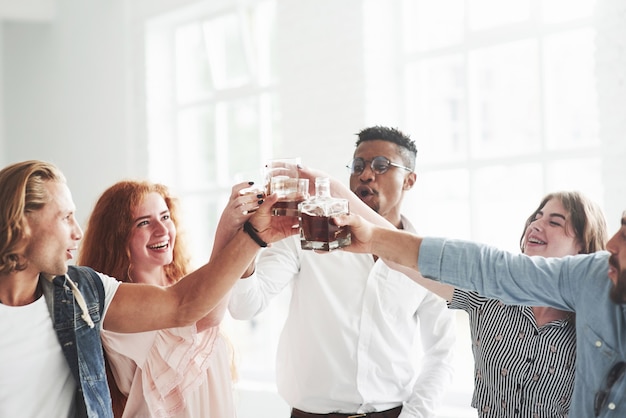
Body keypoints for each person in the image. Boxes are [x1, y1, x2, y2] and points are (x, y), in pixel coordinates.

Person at [0, 160, 297, 418]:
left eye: (165, 217)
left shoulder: (83, 292)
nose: (76, 232)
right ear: (21, 223)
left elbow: (185, 306)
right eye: (64, 218)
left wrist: (252, 235)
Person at [228, 126, 457, 418]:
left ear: (409, 180)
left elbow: (441, 353)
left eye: (381, 166)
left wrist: (414, 416)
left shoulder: (426, 259)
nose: (366, 175)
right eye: (358, 165)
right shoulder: (306, 235)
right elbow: (243, 305)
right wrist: (252, 240)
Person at [333, 196, 626, 417]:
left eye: (555, 222)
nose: (536, 224)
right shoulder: (488, 298)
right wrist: (345, 203)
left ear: (582, 250)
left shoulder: (595, 318)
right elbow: (408, 261)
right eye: (536, 217)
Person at [78, 180, 261, 417]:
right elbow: (204, 315)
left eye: (165, 217)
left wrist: (244, 232)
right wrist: (236, 231)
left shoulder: (190, 287)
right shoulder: (117, 306)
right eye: (144, 222)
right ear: (117, 237)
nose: (162, 230)